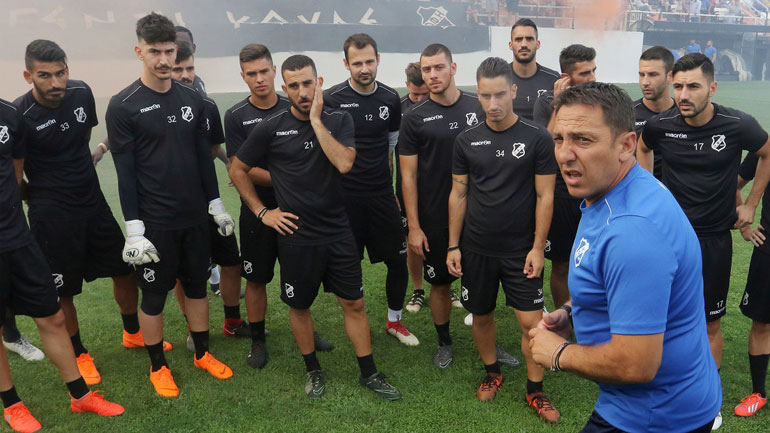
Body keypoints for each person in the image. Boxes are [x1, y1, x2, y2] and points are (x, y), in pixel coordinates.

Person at [529, 81, 722, 433]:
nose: (565, 154)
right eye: (559, 138)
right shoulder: (615, 190)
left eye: (583, 140)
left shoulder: (632, 232)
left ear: (626, 145)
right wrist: (572, 311)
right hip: (656, 404)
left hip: (655, 416)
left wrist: (558, 353)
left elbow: (636, 365)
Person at [229, 54, 402, 400]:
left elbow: (344, 163)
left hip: (338, 231)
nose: (302, 91)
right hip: (297, 237)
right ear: (285, 87)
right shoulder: (271, 127)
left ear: (319, 82)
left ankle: (369, 372)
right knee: (300, 306)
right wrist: (263, 212)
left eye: (308, 83)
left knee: (354, 303)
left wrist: (316, 122)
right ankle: (312, 369)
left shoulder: (338, 119)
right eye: (293, 86)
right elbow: (237, 169)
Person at [106, 12, 236, 398]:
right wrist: (134, 229)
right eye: (155, 52)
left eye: (169, 51)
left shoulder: (193, 99)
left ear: (176, 50)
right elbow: (126, 173)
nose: (163, 60)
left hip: (194, 217)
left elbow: (204, 160)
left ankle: (203, 354)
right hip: (155, 223)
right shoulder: (123, 105)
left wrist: (216, 205)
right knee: (154, 296)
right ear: (139, 52)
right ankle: (158, 367)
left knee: (197, 288)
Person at [638, 53, 770, 429]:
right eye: (678, 86)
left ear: (712, 88)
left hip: (713, 241)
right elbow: (642, 148)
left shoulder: (737, 124)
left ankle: (707, 404)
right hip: (668, 240)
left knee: (710, 325)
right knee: (663, 323)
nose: (683, 94)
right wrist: (650, 194)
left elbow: (766, 152)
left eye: (693, 86)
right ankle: (665, 392)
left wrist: (751, 204)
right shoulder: (660, 124)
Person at [14, 39, 157, 386]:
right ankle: (79, 353)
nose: (56, 83)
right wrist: (38, 197)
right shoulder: (20, 116)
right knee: (64, 291)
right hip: (52, 215)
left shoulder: (81, 93)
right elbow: (15, 177)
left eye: (61, 73)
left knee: (124, 270)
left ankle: (132, 333)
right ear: (28, 76)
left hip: (93, 203)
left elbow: (80, 140)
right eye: (45, 75)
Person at [0, 97, 124, 432]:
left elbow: (15, 176)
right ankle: (12, 406)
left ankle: (80, 396)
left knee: (52, 316)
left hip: (17, 237)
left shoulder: (9, 115)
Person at [446, 57, 560, 421]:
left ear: (513, 91)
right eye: (485, 96)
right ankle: (492, 372)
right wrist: (453, 245)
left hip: (520, 251)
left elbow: (545, 196)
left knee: (532, 324)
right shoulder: (466, 140)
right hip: (477, 248)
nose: (493, 104)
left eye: (499, 94)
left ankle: (535, 390)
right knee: (481, 316)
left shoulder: (537, 137)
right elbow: (459, 193)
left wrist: (538, 248)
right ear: (478, 95)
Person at [398, 44, 518, 369]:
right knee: (439, 284)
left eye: (439, 67)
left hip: (479, 215)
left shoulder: (478, 106)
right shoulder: (414, 118)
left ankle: (489, 341)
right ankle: (444, 342)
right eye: (426, 69)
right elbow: (407, 177)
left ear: (453, 68)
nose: (432, 75)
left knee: (483, 282)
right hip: (436, 216)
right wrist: (414, 226)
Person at [224, 44, 333, 368]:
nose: (259, 79)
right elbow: (238, 167)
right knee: (256, 278)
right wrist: (287, 180)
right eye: (251, 74)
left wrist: (289, 181)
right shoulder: (236, 116)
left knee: (299, 275)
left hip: (296, 210)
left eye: (263, 71)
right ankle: (258, 341)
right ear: (243, 76)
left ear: (274, 72)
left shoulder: (295, 106)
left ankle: (307, 332)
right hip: (258, 210)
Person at [324, 34, 417, 346]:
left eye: (369, 62)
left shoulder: (390, 99)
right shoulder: (332, 98)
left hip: (380, 197)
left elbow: (390, 149)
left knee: (397, 261)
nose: (364, 69)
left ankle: (394, 321)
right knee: (348, 266)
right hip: (345, 199)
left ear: (378, 59)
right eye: (357, 63)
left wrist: (389, 190)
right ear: (346, 64)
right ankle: (356, 319)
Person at [168, 41, 246, 351]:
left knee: (232, 261)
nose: (186, 75)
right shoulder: (152, 106)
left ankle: (232, 321)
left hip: (209, 200)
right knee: (183, 273)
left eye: (190, 68)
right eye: (178, 69)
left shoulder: (203, 101)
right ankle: (193, 329)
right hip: (173, 205)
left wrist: (229, 164)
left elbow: (213, 146)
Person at [532, 44, 596, 311]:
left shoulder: (599, 101)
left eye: (593, 70)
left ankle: (593, 316)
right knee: (561, 264)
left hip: (594, 192)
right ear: (566, 78)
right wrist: (558, 106)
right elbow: (544, 148)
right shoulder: (546, 102)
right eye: (585, 73)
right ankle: (565, 320)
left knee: (595, 261)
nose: (592, 78)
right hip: (560, 193)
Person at [400, 64, 463, 314]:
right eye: (415, 94)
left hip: (452, 192)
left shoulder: (454, 106)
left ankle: (448, 284)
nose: (419, 99)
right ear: (407, 86)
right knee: (415, 242)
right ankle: (418, 289)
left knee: (451, 243)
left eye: (424, 94)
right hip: (415, 190)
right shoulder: (405, 112)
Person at [732, 152, 770, 417]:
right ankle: (758, 393)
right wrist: (745, 227)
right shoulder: (765, 151)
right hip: (768, 252)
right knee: (762, 323)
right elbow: (735, 184)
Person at [635, 46, 675, 180]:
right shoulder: (627, 114)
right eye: (642, 75)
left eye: (653, 75)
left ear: (670, 76)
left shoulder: (684, 115)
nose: (645, 82)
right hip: (641, 189)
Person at [508, 19, 560, 121]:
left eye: (529, 39)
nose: (524, 44)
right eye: (518, 39)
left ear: (538, 44)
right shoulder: (499, 78)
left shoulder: (553, 79)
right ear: (511, 45)